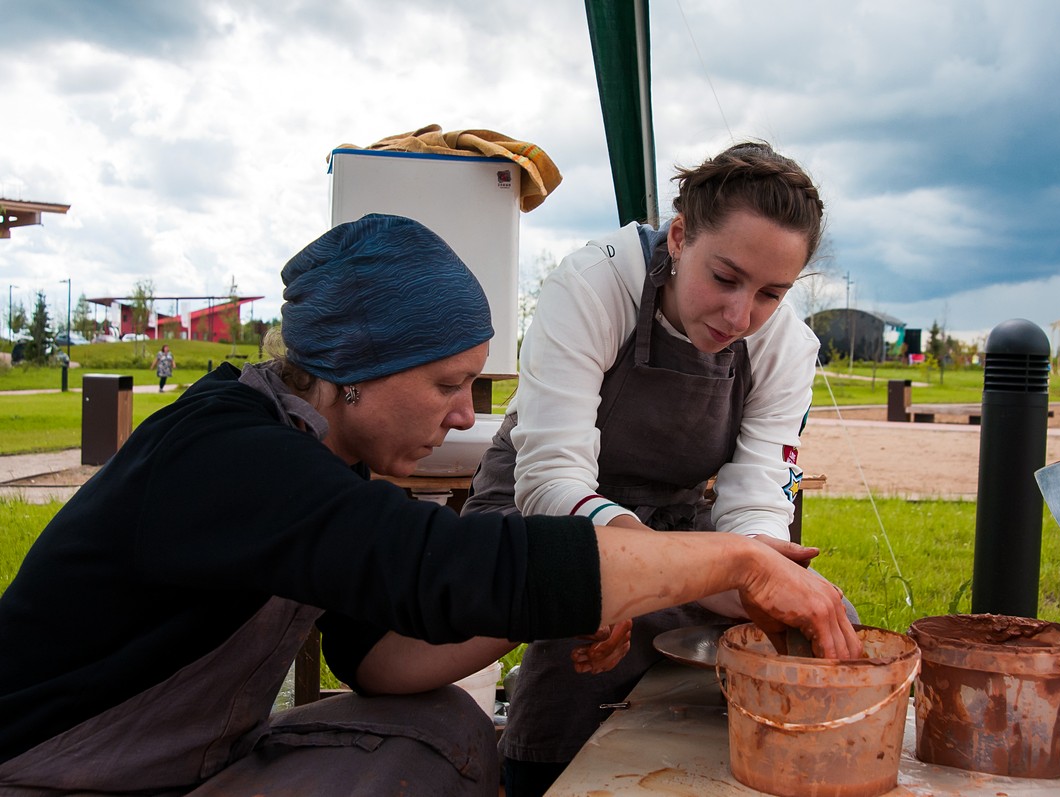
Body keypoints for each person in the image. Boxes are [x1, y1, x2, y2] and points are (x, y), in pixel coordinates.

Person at [0, 214, 859, 797]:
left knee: (443, 730)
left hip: (180, 759)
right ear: (353, 371)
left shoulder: (316, 447)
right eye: (448, 384)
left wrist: (593, 591)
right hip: (53, 770)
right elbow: (442, 568)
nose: (462, 415)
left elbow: (375, 656)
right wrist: (737, 559)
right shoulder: (229, 455)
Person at [463, 141, 858, 795]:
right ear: (679, 237)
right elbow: (552, 479)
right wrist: (644, 569)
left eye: (771, 294)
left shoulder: (786, 345)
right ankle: (536, 774)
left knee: (742, 659)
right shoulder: (593, 285)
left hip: (676, 521)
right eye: (725, 278)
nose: (741, 316)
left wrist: (770, 573)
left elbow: (755, 500)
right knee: (576, 656)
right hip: (541, 507)